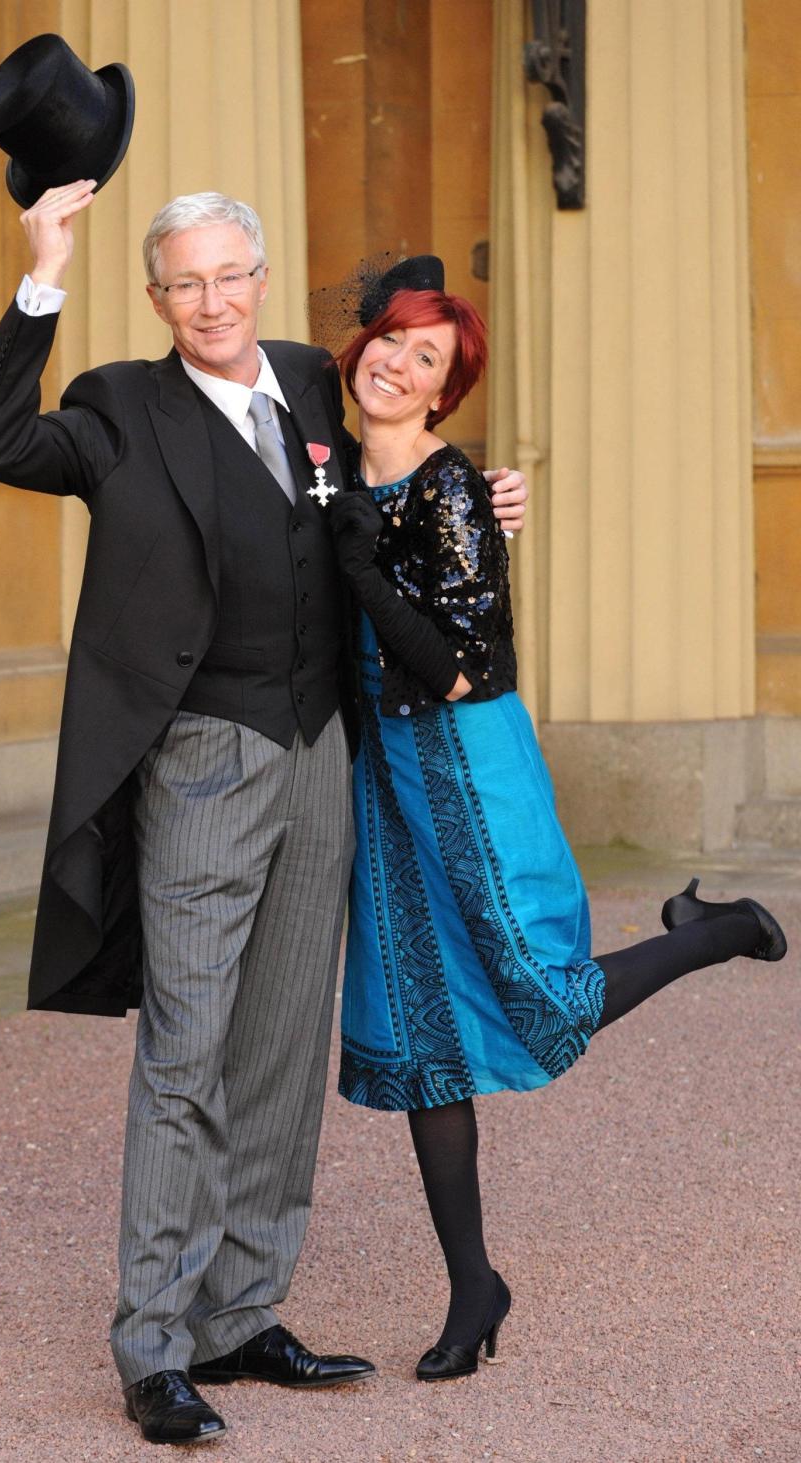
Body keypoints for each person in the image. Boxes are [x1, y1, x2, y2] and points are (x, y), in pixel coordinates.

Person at [0, 187, 528, 1444]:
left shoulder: (313, 382)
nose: (213, 303)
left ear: (262, 277)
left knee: (278, 1050)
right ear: (157, 299)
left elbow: (398, 455)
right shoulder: (118, 406)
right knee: (187, 1051)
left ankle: (239, 1310)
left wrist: (478, 499)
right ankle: (155, 1344)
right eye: (186, 284)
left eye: (232, 276)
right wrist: (42, 271)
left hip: (326, 745)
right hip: (205, 756)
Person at [327, 260, 787, 1385]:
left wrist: (359, 567)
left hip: (466, 762)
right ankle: (474, 1283)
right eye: (389, 337)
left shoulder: (451, 494)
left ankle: (717, 929)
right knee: (422, 1027)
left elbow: (464, 666)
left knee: (543, 994)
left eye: (425, 355)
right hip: (381, 780)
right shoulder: (324, 460)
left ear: (445, 393)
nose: (395, 361)